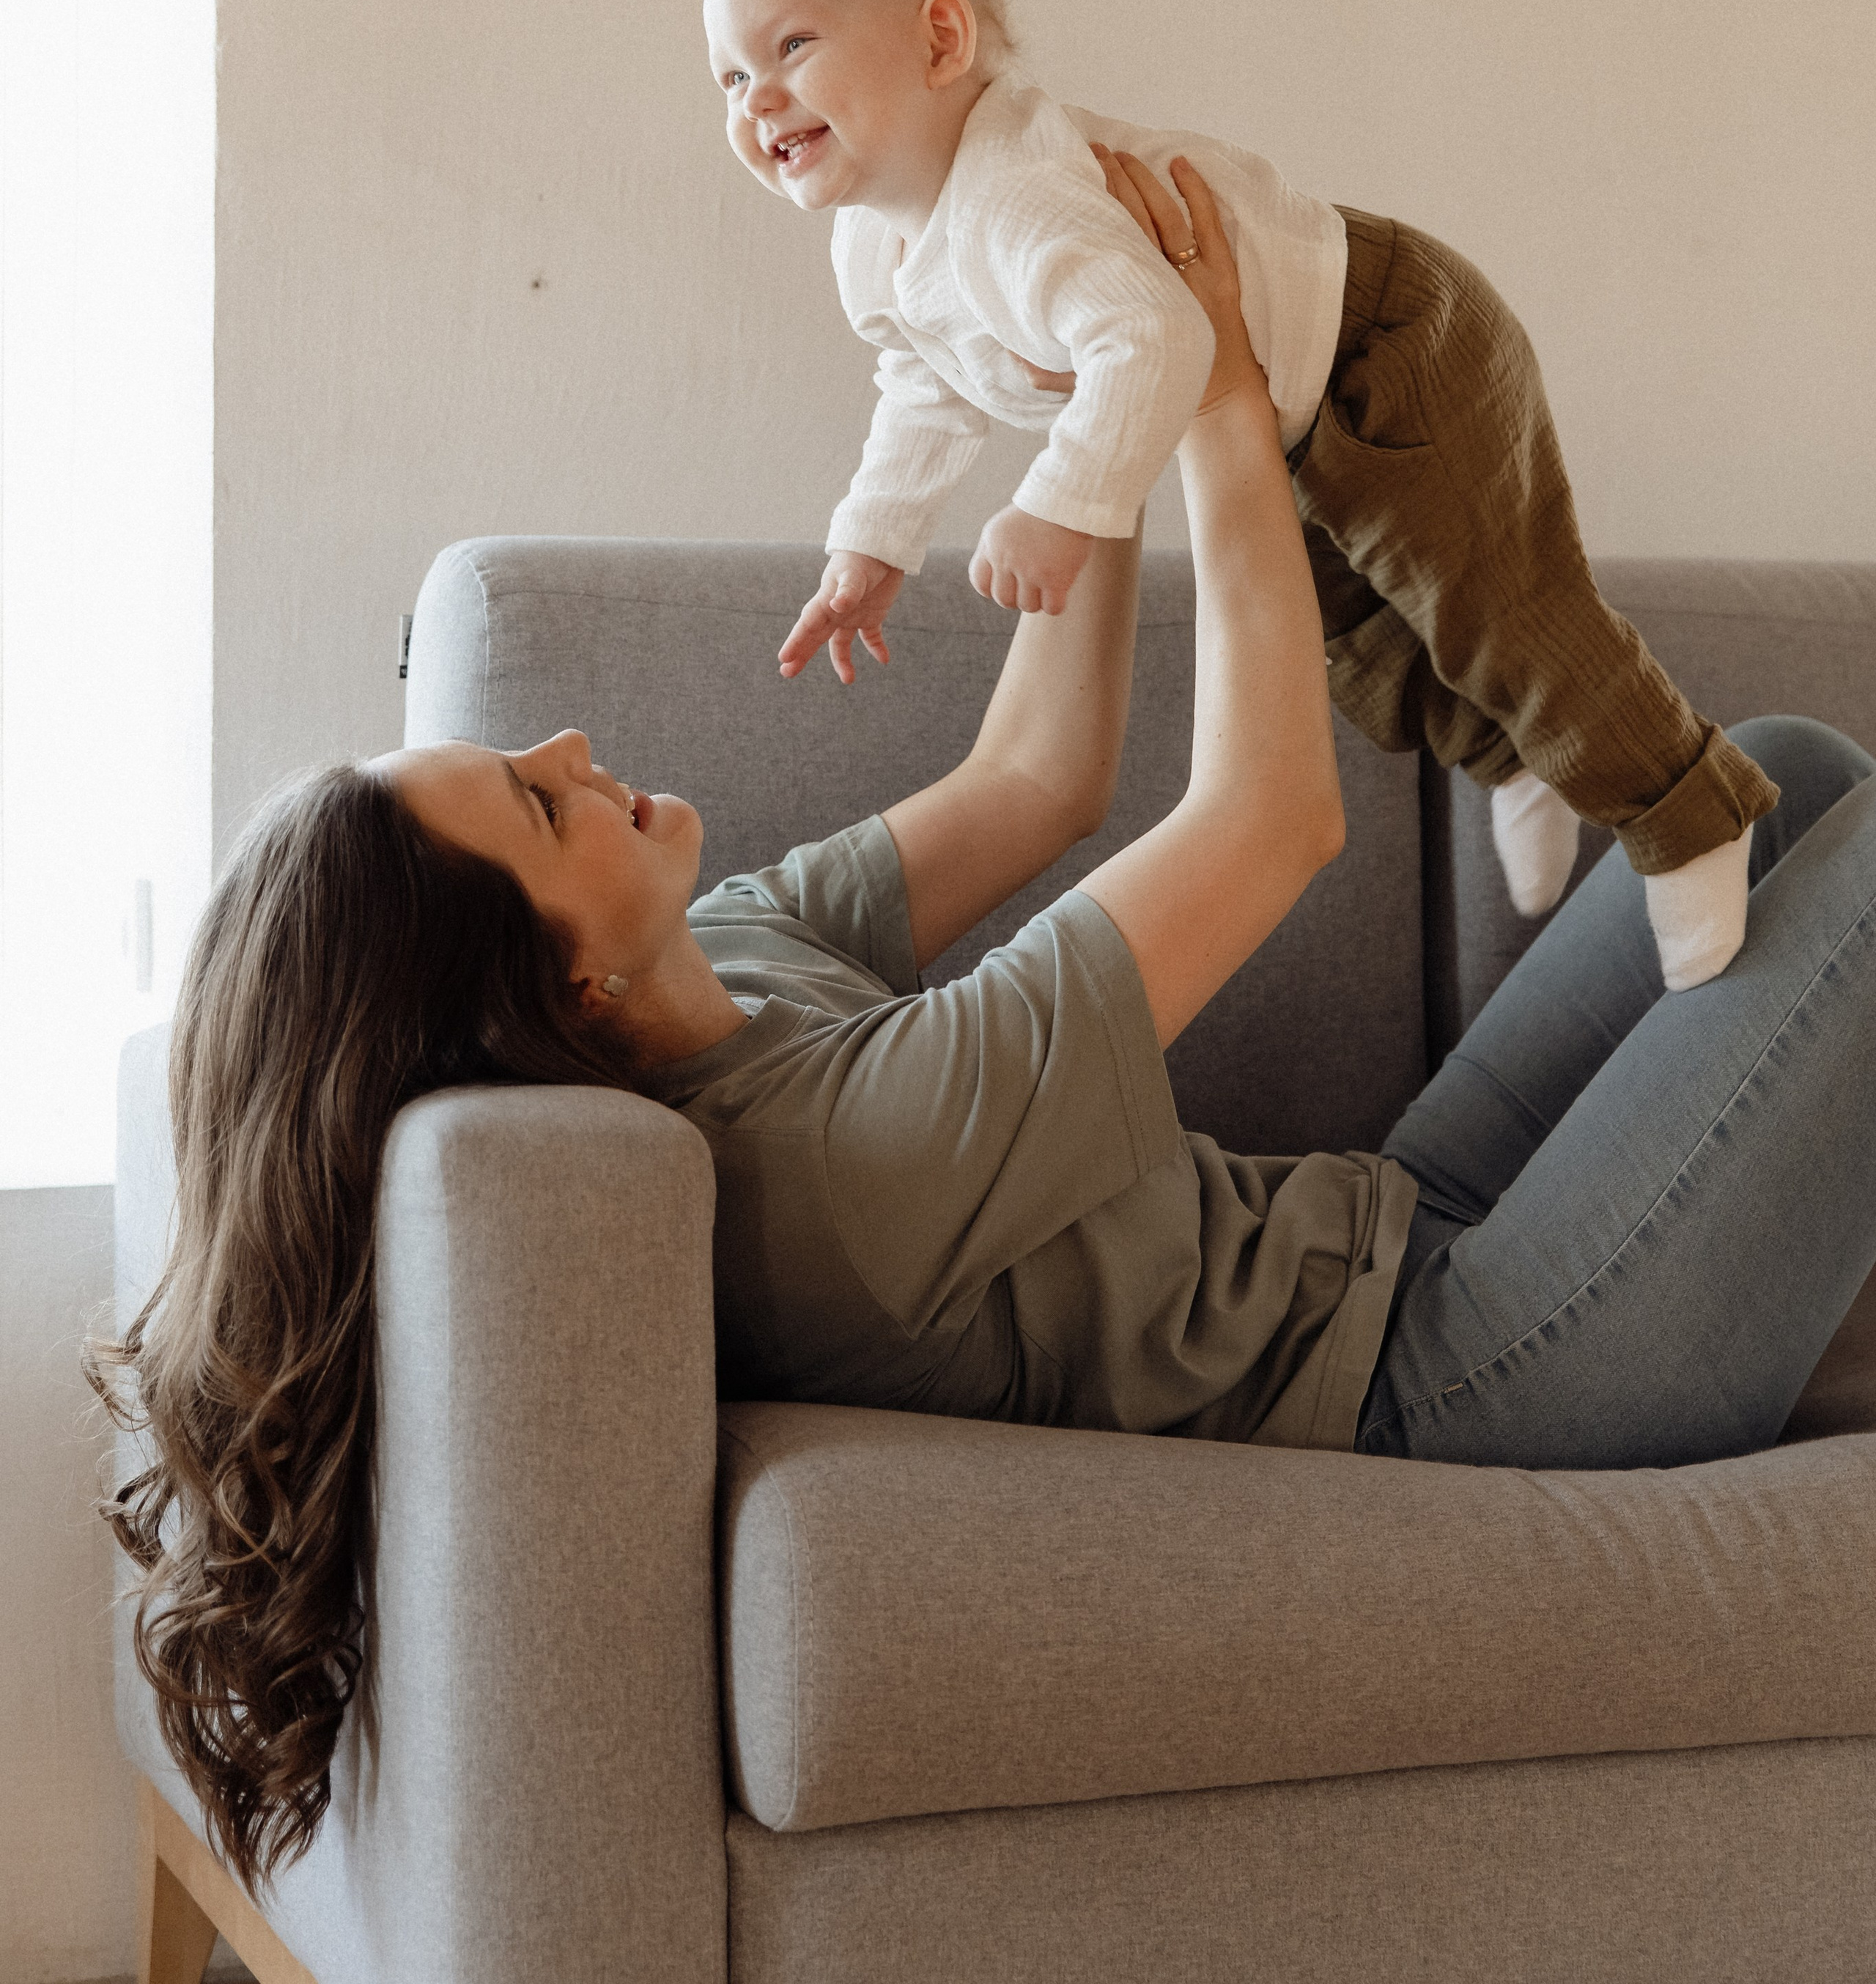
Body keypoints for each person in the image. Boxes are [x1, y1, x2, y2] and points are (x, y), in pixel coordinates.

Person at [96, 155, 1876, 1897]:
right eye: (538, 807)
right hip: (1475, 1381)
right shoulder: (825, 1176)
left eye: (526, 760)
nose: (570, 754)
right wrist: (1215, 410)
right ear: (563, 986)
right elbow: (1270, 819)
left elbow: (1036, 779)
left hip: (1393, 1224)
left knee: (1768, 784)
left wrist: (1087, 396)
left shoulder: (724, 952)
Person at [704, 0, 1778, 991]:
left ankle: (1693, 817)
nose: (754, 99)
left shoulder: (1015, 197)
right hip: (1291, 414)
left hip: (1394, 336)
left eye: (790, 48)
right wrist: (873, 541)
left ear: (939, 41)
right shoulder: (873, 246)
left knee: (1500, 609)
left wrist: (1057, 505)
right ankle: (1515, 761)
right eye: (729, 75)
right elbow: (921, 385)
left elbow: (1158, 338)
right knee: (1359, 629)